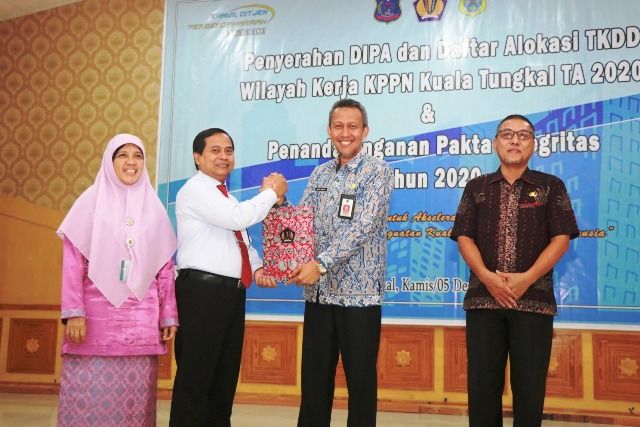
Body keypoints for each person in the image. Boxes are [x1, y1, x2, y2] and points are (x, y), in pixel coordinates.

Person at [450, 114, 579, 426]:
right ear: (496, 143)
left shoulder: (551, 186)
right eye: (507, 134)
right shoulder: (477, 187)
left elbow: (562, 238)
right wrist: (487, 277)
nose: (515, 141)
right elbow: (464, 236)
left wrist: (526, 279)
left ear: (533, 144)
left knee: (530, 389)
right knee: (482, 388)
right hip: (483, 300)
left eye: (523, 135)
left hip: (534, 301)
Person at [57, 134, 178, 427]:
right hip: (94, 322)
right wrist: (74, 313)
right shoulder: (89, 203)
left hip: (141, 324)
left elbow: (165, 268)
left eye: (138, 156)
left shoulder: (154, 208)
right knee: (89, 399)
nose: (131, 162)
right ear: (109, 162)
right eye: (122, 155)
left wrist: (168, 314)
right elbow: (73, 264)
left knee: (134, 404)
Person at [169, 128, 287, 427]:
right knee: (196, 381)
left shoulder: (226, 197)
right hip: (201, 294)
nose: (224, 156)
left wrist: (257, 268)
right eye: (215, 150)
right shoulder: (195, 190)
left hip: (230, 295)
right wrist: (271, 192)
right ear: (197, 157)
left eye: (229, 151)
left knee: (223, 381)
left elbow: (241, 240)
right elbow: (237, 218)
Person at [287, 99, 394, 427]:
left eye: (352, 127)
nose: (345, 133)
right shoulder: (320, 173)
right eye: (338, 126)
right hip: (319, 295)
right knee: (314, 381)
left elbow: (363, 226)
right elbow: (302, 221)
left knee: (360, 383)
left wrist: (320, 263)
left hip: (358, 296)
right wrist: (278, 202)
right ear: (329, 130)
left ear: (365, 131)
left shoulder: (378, 171)